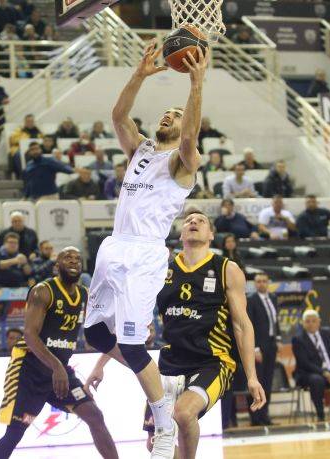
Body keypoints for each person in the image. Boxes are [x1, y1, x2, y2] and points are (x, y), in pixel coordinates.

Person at [83, 42, 206, 458]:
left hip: (144, 254)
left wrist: (196, 82)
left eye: (174, 114)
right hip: (114, 246)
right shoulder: (142, 150)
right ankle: (157, 381)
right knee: (96, 333)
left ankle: (164, 417)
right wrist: (139, 74)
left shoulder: (183, 161)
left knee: (134, 346)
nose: (167, 116)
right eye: (164, 113)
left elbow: (190, 132)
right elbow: (118, 116)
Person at [91, 210, 265, 458]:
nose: (193, 222)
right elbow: (131, 325)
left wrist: (252, 377)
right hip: (170, 363)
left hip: (212, 361)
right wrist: (101, 363)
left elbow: (242, 325)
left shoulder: (227, 268)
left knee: (183, 413)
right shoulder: (162, 270)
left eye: (201, 220)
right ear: (181, 233)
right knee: (154, 444)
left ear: (211, 235)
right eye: (188, 220)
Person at [0, 247, 117, 458]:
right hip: (29, 368)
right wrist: (57, 366)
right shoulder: (43, 290)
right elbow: (30, 335)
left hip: (60, 370)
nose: (74, 261)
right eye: (67, 257)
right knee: (15, 432)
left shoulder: (86, 295)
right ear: (56, 266)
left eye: (77, 258)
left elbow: (104, 331)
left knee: (95, 416)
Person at [245, 273, 281, 426]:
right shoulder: (251, 300)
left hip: (271, 344)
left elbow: (275, 320)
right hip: (258, 346)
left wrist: (278, 339)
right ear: (254, 283)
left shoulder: (273, 297)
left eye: (264, 281)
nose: (261, 284)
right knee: (256, 381)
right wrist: (254, 348)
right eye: (258, 281)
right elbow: (249, 325)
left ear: (268, 282)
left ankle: (265, 415)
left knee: (267, 380)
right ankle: (255, 417)